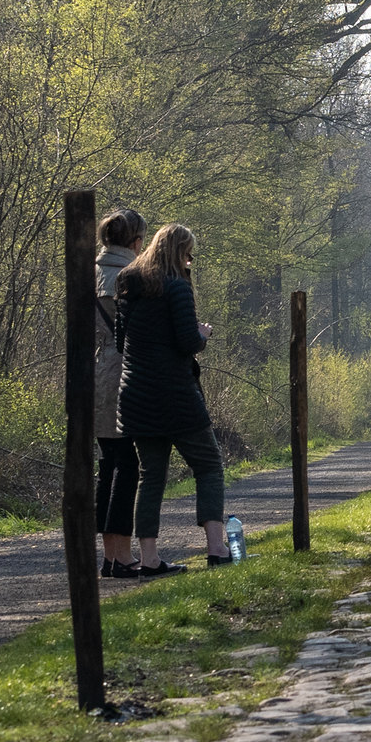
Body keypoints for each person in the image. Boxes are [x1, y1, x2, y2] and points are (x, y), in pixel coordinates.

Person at [118, 223, 231, 573]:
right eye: (188, 254)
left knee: (150, 476)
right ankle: (217, 548)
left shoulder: (129, 284)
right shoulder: (177, 287)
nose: (190, 260)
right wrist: (202, 335)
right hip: (175, 393)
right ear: (179, 252)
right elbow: (186, 342)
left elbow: (124, 341)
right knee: (209, 465)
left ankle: (149, 560)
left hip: (135, 391)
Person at [94, 207, 145, 578]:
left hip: (94, 376)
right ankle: (123, 555)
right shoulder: (133, 277)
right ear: (137, 241)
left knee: (109, 464)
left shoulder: (90, 274)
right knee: (127, 465)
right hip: (125, 374)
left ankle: (110, 555)